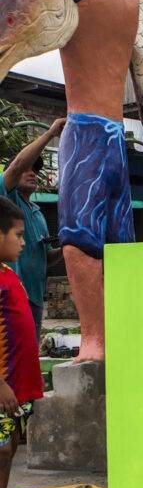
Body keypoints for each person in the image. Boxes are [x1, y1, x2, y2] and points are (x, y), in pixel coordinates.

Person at [14, 0, 138, 362]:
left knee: (82, 237)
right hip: (113, 133)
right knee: (112, 239)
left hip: (88, 131)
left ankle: (96, 339)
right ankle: (108, 336)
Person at [0, 196, 44, 488]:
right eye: (17, 234)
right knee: (0, 452)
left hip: (13, 390)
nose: (24, 241)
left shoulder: (7, 273)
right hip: (2, 389)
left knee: (9, 450)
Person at [0, 119, 65, 340]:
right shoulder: (7, 200)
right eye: (26, 170)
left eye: (35, 170)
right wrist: (50, 133)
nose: (32, 173)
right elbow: (18, 164)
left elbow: (46, 258)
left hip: (35, 297)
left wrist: (67, 247)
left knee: (28, 353)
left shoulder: (38, 214)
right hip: (10, 294)